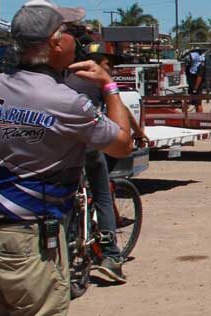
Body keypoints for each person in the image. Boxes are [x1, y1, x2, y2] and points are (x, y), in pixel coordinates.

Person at [0, 1, 133, 316]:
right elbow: (122, 144)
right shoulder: (65, 101)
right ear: (55, 43)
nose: (79, 38)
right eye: (71, 32)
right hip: (33, 238)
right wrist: (108, 86)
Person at [64, 43, 148, 283]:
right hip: (89, 147)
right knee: (102, 193)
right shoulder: (100, 82)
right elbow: (119, 111)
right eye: (108, 63)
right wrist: (137, 132)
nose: (111, 67)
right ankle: (111, 256)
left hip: (63, 149)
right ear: (97, 61)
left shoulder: (64, 79)